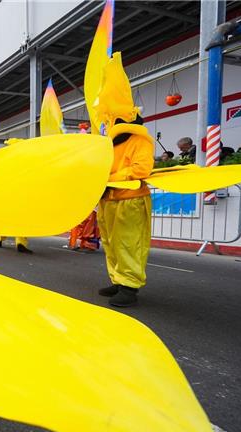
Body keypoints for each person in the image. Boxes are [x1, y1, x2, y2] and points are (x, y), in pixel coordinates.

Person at [94, 55, 154, 307]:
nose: (109, 124)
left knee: (129, 243)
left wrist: (109, 179)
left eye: (113, 119)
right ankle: (118, 280)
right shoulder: (109, 145)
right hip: (107, 201)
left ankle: (130, 286)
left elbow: (141, 169)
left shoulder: (139, 141)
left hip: (130, 200)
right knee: (110, 243)